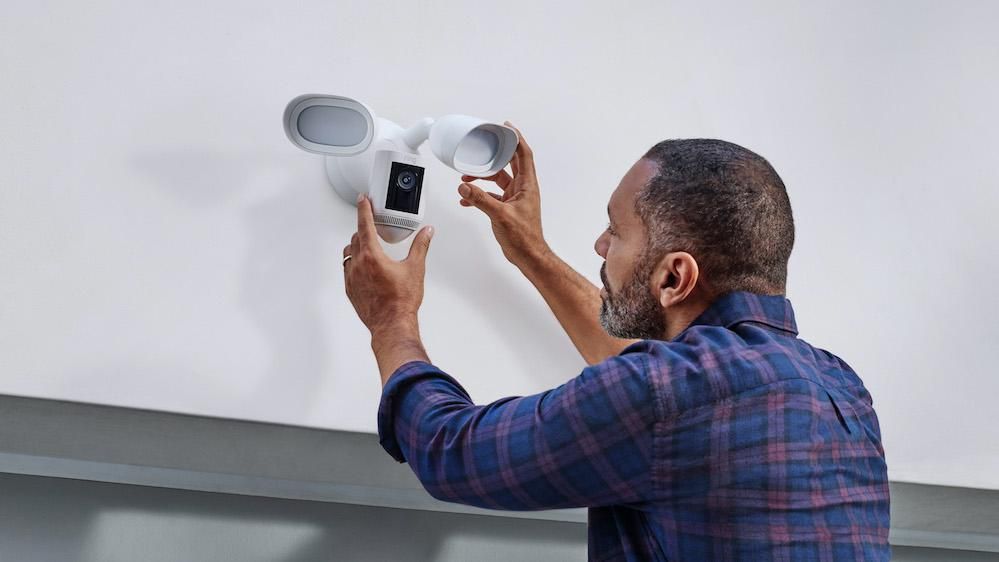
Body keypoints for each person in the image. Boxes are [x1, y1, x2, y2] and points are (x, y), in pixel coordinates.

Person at [340, 125, 890, 561]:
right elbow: (669, 391)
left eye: (616, 232)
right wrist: (532, 251)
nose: (600, 245)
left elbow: (449, 452)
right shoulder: (843, 391)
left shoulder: (667, 394)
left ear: (675, 278)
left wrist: (391, 320)